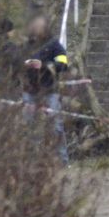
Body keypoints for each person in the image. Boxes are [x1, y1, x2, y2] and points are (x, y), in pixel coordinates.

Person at [21, 16, 69, 164]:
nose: (37, 29)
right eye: (35, 26)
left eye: (40, 26)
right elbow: (16, 61)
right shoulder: (26, 45)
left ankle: (63, 160)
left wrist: (46, 65)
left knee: (56, 126)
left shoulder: (54, 45)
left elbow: (64, 63)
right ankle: (32, 160)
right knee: (28, 126)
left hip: (49, 90)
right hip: (29, 90)